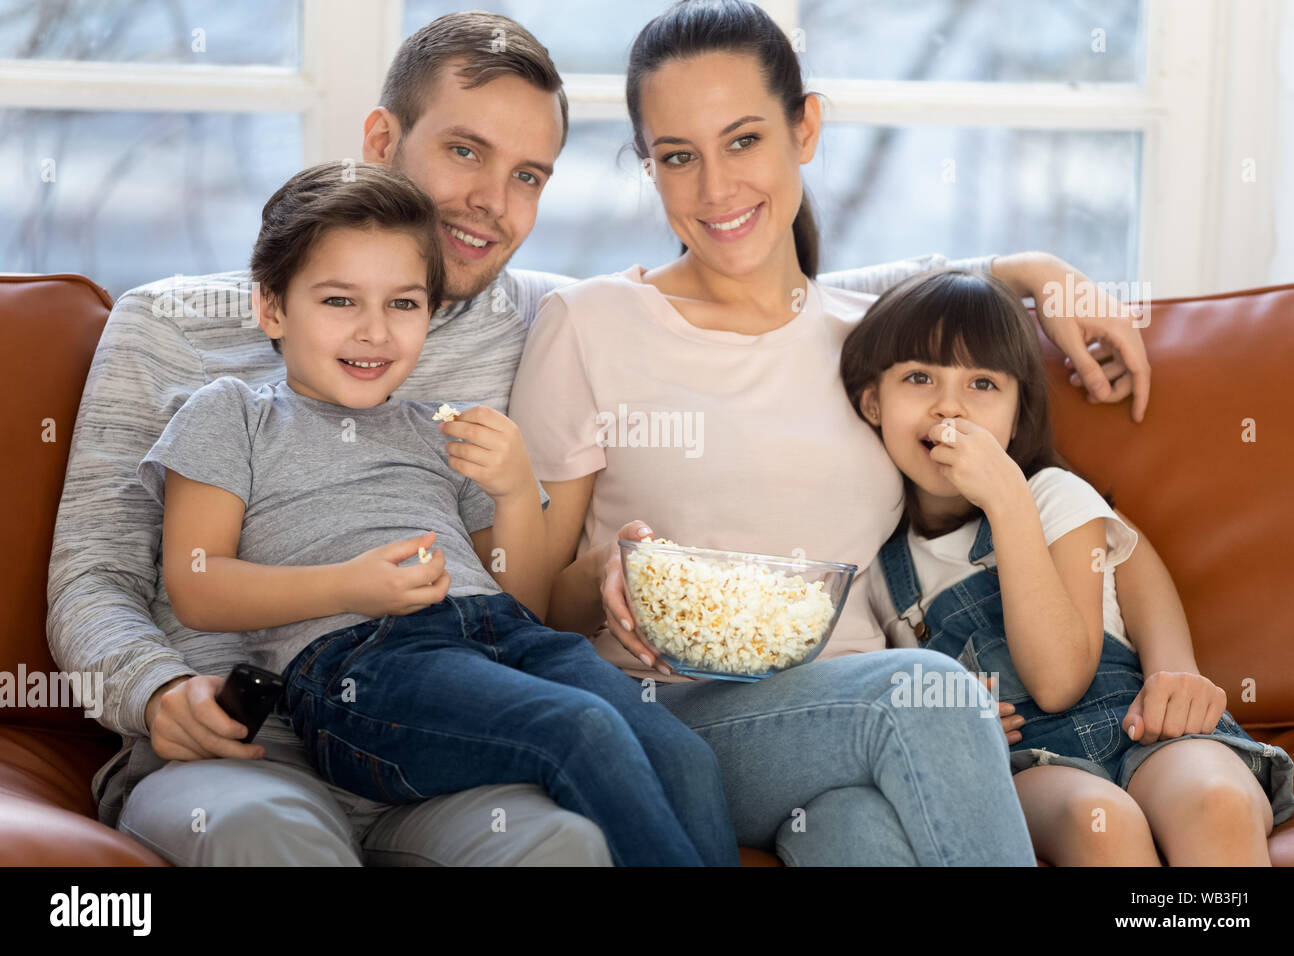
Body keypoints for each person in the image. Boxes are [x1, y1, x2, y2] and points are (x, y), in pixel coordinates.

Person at [47, 9, 1152, 867]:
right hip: (258, 735)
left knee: (709, 832)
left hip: (465, 735)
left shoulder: (524, 316)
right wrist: (150, 690)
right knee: (269, 835)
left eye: (527, 175)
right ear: (383, 138)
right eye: (465, 152)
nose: (489, 202)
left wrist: (1024, 272)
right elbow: (92, 573)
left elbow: (791, 303)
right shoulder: (171, 330)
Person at [508, 0, 1198, 866]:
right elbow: (523, 602)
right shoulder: (589, 323)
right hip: (671, 716)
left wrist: (1032, 270)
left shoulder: (874, 345)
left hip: (854, 734)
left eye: (744, 140)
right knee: (924, 697)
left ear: (806, 129)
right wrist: (605, 578)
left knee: (860, 832)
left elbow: (1009, 448)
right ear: (647, 166)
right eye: (677, 157)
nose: (716, 189)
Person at [134, 161, 739, 866]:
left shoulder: (440, 428)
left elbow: (526, 602)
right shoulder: (233, 412)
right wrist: (347, 587)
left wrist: (515, 491)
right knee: (578, 726)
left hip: (504, 640)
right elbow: (197, 585)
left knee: (685, 754)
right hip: (361, 669)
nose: (374, 332)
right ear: (272, 308)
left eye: (403, 304)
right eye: (339, 302)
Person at [840, 268, 1294, 864]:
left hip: (1140, 727)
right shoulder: (875, 569)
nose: (949, 404)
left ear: (1015, 410)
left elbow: (1060, 679)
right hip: (1029, 765)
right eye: (919, 377)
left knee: (1216, 803)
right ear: (872, 401)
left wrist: (1007, 502)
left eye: (982, 383)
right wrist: (945, 703)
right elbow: (877, 697)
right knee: (1099, 825)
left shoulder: (1052, 496)